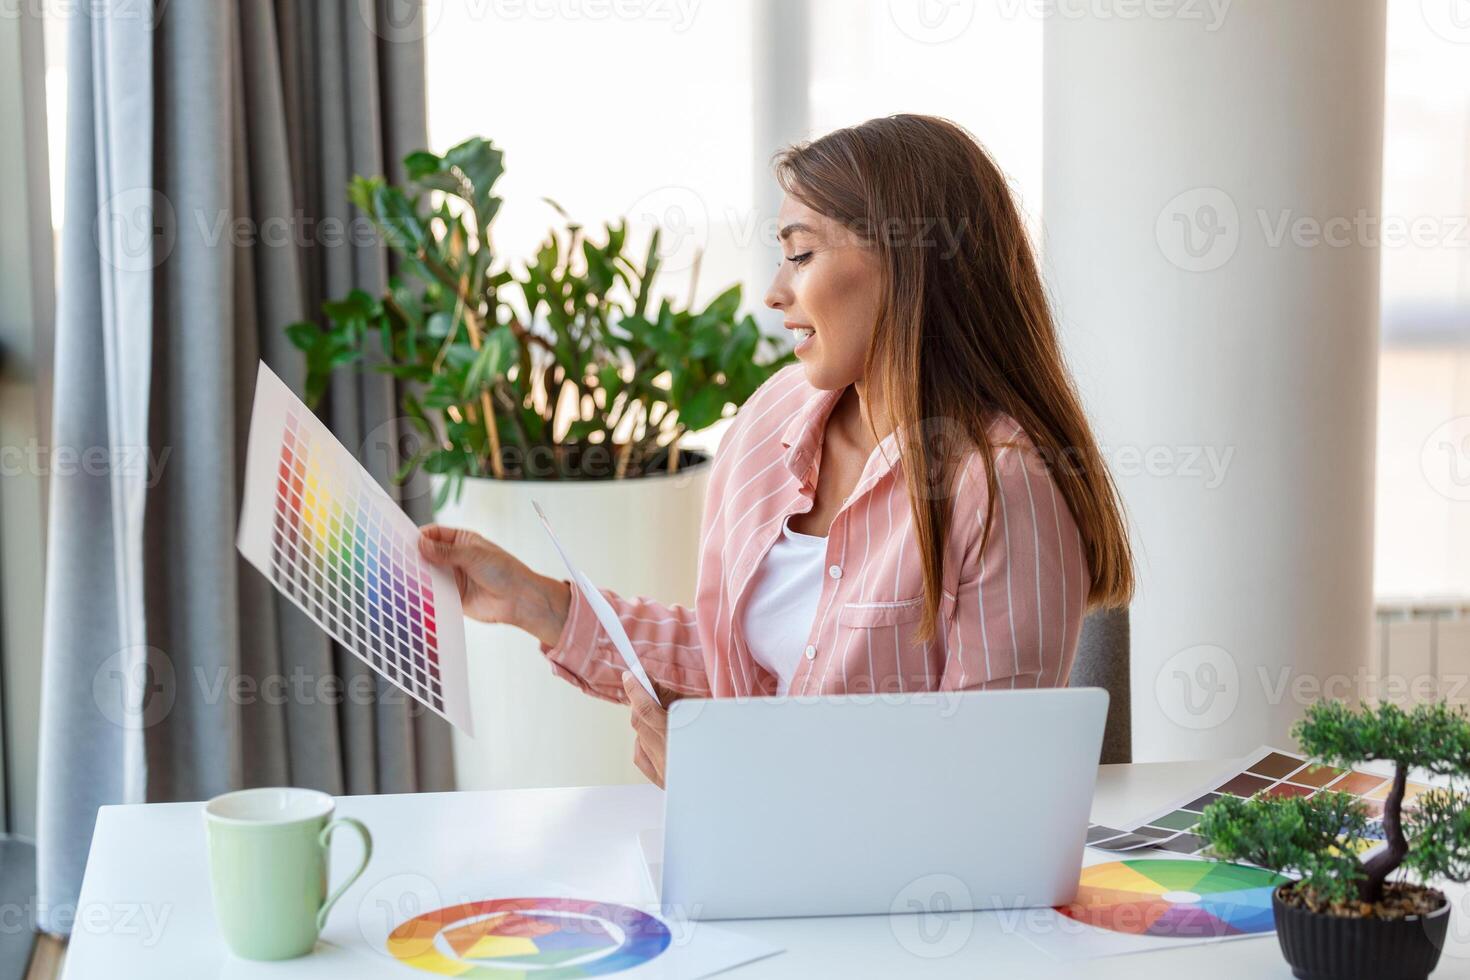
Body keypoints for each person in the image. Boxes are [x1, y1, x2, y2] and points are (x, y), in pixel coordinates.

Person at [419, 114, 1133, 788]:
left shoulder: (1005, 485)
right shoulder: (774, 417)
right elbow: (744, 665)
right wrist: (536, 603)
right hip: (758, 862)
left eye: (800, 253)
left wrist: (729, 784)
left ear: (912, 264)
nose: (773, 291)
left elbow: (985, 787)